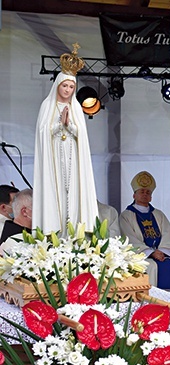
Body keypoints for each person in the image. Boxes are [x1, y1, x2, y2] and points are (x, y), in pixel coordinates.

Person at [32, 44, 98, 235]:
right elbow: (42, 133)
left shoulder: (76, 107)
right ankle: (56, 233)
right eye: (65, 85)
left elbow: (82, 136)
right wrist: (59, 124)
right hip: (54, 160)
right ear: (58, 85)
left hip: (73, 159)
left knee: (74, 195)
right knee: (57, 193)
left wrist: (69, 126)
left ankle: (75, 234)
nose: (68, 90)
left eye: (71, 86)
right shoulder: (47, 105)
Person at [119, 171, 170, 289]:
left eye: (148, 192)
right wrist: (151, 252)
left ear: (151, 197)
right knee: (151, 267)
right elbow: (130, 239)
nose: (145, 194)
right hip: (141, 257)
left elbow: (168, 235)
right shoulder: (126, 215)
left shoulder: (158, 214)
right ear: (134, 195)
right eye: (142, 192)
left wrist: (162, 251)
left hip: (162, 254)